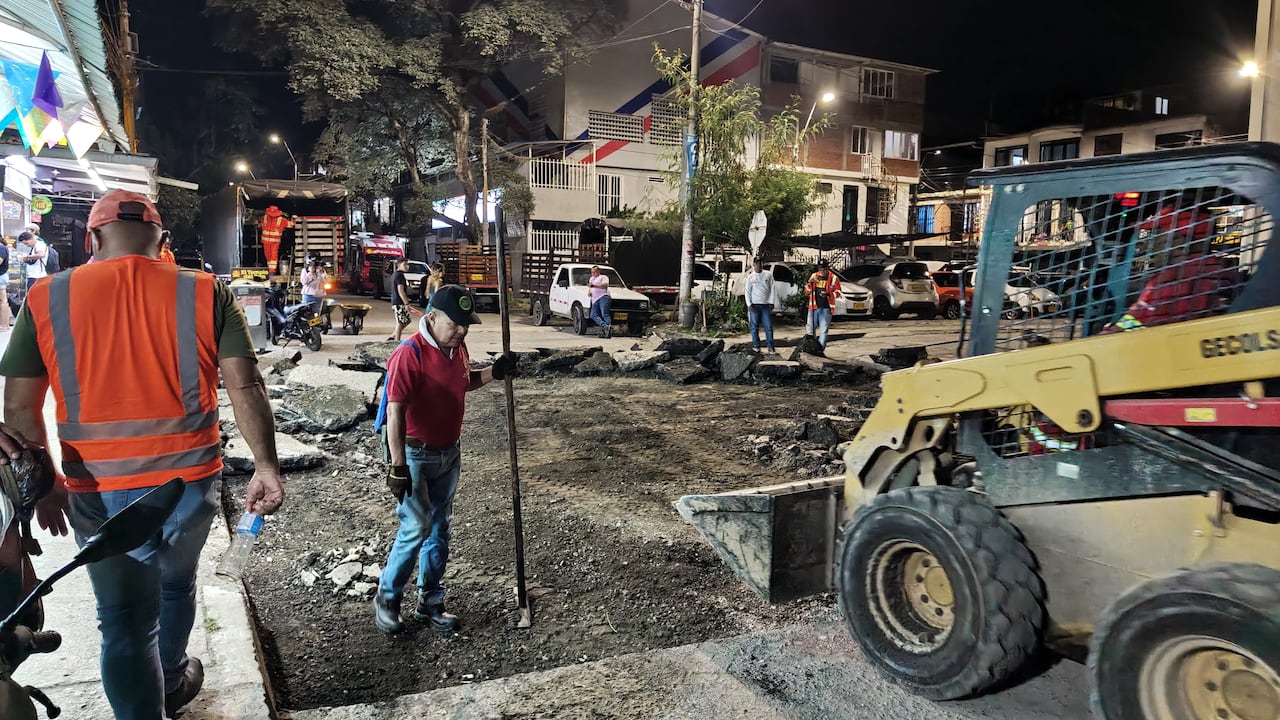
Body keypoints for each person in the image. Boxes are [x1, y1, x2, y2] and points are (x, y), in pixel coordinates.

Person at [0, 189, 285, 720]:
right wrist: (266, 466)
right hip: (188, 484)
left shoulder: (46, 296)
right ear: (163, 241)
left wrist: (46, 485)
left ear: (91, 238)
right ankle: (172, 679)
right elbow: (246, 386)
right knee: (176, 584)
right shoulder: (204, 291)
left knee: (125, 620)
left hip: (97, 493)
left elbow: (19, 406)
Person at [372, 285, 516, 634]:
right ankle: (387, 600)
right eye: (456, 325)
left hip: (448, 451)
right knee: (416, 526)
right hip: (413, 452)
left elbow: (463, 384)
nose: (462, 331)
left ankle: (430, 603)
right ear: (432, 318)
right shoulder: (409, 354)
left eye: (466, 325)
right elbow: (395, 413)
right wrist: (397, 465)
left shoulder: (457, 348)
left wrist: (494, 373)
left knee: (440, 529)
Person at [805, 259, 842, 350]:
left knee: (823, 330)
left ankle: (820, 349)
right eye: (820, 269)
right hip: (814, 307)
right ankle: (811, 347)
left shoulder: (833, 278)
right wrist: (810, 283)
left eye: (824, 269)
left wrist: (828, 294)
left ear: (827, 268)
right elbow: (807, 290)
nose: (822, 271)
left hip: (826, 308)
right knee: (810, 329)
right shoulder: (814, 276)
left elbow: (839, 292)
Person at [744, 257, 776, 353]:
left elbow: (772, 289)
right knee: (754, 326)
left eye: (760, 263)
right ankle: (756, 345)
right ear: (754, 264)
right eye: (757, 263)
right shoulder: (750, 277)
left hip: (765, 305)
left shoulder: (768, 275)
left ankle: (770, 347)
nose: (759, 265)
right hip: (754, 305)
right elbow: (747, 291)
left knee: (768, 327)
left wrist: (771, 302)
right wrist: (749, 304)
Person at [389, 258, 420, 342]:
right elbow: (400, 290)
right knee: (400, 322)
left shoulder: (395, 274)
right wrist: (406, 303)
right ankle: (397, 340)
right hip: (399, 302)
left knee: (406, 321)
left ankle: (393, 336)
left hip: (396, 301)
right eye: (405, 265)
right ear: (399, 265)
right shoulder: (399, 275)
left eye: (408, 264)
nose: (407, 266)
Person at [588, 265, 611, 339]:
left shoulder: (603, 277)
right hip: (594, 299)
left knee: (605, 313)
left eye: (594, 272)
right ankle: (605, 326)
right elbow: (590, 287)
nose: (593, 274)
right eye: (592, 272)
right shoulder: (591, 279)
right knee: (593, 314)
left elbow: (605, 285)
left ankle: (607, 331)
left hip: (603, 297)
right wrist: (590, 292)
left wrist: (594, 286)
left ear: (598, 271)